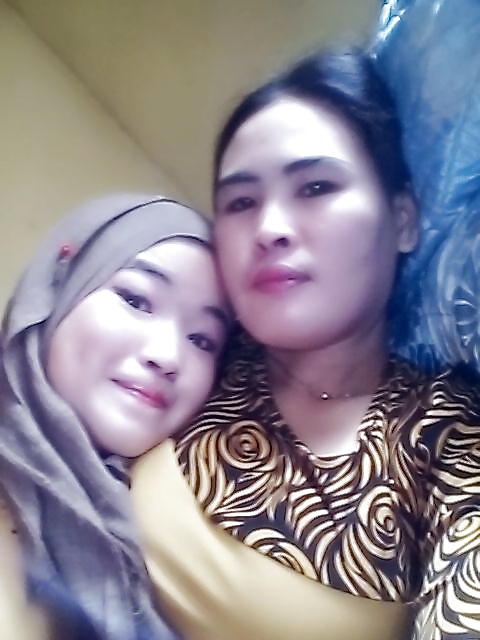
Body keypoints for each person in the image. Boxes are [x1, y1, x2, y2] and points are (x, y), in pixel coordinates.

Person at [131, 49, 480, 640]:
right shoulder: (192, 348)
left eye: (316, 187)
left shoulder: (449, 437)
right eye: (241, 202)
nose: (269, 228)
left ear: (402, 219)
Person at [0, 193, 229, 639]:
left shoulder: (154, 550)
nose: (168, 356)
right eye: (136, 300)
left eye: (202, 340)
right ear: (62, 290)